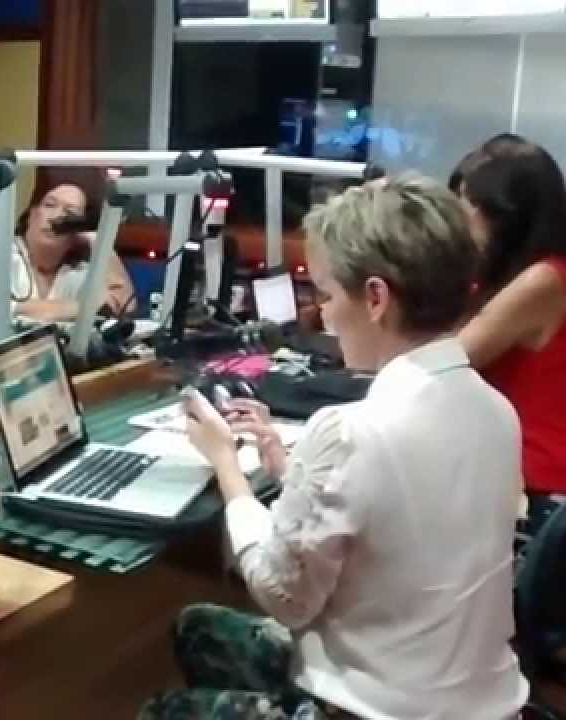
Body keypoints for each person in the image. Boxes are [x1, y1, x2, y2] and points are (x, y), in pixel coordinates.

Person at [140, 174, 528, 719]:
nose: (322, 314)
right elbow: (403, 511)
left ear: (375, 298)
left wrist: (228, 467)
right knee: (199, 628)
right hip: (480, 702)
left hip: (383, 710)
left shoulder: (351, 432)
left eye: (327, 295)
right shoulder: (497, 412)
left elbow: (284, 598)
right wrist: (292, 469)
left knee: (166, 710)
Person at [449, 134, 566, 542]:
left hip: (538, 488)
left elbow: (447, 360)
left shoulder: (544, 280)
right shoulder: (506, 273)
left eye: (466, 210)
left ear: (505, 218)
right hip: (506, 471)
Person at [5, 180, 135, 322]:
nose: (56, 217)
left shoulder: (79, 273)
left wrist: (98, 242)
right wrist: (83, 308)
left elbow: (123, 306)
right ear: (31, 214)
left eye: (70, 213)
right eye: (49, 205)